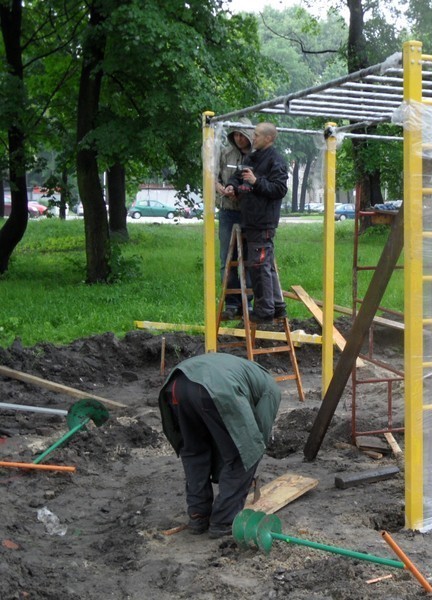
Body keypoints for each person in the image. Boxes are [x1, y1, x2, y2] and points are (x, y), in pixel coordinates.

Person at [158, 353, 282, 538]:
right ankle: (223, 521)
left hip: (176, 386)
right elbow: (258, 435)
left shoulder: (240, 370)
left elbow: (218, 432)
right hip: (215, 389)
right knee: (244, 454)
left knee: (194, 452)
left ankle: (198, 515)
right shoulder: (271, 388)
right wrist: (245, 469)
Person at [224, 121, 288, 323]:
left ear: (269, 138)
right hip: (250, 220)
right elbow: (236, 176)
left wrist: (255, 181)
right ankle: (277, 306)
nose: (254, 137)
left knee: (259, 267)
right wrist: (232, 187)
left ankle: (264, 310)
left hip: (263, 222)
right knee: (265, 265)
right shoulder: (252, 157)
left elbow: (279, 190)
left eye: (258, 134)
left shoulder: (276, 160)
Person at [216, 119, 253, 320]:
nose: (239, 139)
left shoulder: (256, 156)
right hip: (228, 210)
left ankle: (247, 302)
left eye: (242, 135)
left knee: (248, 258)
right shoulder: (225, 153)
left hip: (248, 212)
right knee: (227, 259)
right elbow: (215, 176)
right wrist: (220, 187)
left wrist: (240, 191)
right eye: (236, 135)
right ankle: (230, 303)